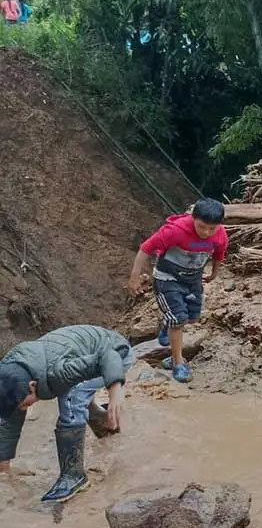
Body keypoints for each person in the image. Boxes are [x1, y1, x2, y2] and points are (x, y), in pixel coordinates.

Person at [0, 325, 134, 502]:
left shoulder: (57, 372)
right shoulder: (11, 372)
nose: (23, 408)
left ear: (32, 385)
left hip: (116, 353)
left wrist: (115, 390)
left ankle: (74, 476)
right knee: (71, 391)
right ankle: (104, 424)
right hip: (84, 356)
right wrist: (4, 468)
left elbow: (108, 357)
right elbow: (10, 419)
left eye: (24, 403)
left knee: (72, 395)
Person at [128, 199, 228, 383]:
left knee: (192, 318)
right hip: (167, 278)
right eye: (202, 226)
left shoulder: (220, 234)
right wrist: (134, 278)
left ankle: (166, 324)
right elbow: (145, 249)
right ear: (193, 218)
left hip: (193, 280)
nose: (206, 232)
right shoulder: (175, 231)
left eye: (211, 228)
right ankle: (177, 363)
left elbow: (218, 254)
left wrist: (214, 274)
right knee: (179, 319)